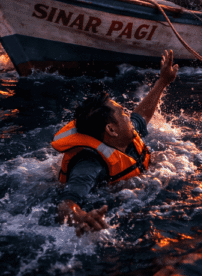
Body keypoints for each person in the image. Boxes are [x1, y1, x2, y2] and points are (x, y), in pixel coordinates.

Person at [52, 50, 178, 235]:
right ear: (111, 130)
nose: (129, 115)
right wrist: (81, 217)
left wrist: (163, 81)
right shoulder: (90, 163)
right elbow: (65, 204)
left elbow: (141, 116)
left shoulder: (121, 135)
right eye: (123, 113)